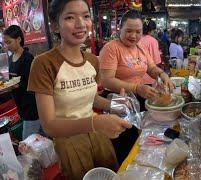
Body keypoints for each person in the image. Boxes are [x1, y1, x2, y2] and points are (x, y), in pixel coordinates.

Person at [27, 1, 132, 179]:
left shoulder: (92, 60)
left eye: (85, 16)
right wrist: (95, 123)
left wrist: (114, 104)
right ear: (55, 25)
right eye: (69, 17)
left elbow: (89, 98)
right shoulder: (43, 63)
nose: (81, 24)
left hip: (98, 136)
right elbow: (49, 125)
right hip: (69, 142)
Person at [99, 10, 174, 164]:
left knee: (139, 140)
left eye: (138, 32)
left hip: (137, 97)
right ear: (119, 29)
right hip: (118, 100)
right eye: (129, 31)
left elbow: (152, 69)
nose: (133, 36)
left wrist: (162, 74)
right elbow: (106, 80)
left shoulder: (140, 48)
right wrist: (137, 88)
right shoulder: (111, 48)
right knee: (123, 144)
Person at [3, 25, 40, 140]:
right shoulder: (10, 59)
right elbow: (8, 79)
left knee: (28, 142)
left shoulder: (28, 58)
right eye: (5, 43)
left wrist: (16, 85)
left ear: (19, 39)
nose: (6, 46)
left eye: (9, 42)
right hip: (20, 106)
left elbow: (33, 84)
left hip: (31, 106)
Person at [138, 19, 162, 85]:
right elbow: (157, 61)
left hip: (136, 78)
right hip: (149, 78)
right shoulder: (153, 41)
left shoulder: (137, 39)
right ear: (152, 30)